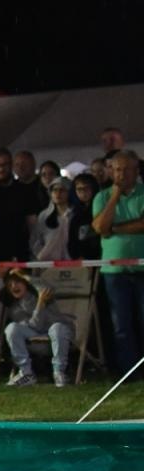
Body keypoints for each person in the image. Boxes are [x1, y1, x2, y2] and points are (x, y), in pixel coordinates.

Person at [92, 149, 144, 372]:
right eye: (117, 170)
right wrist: (114, 197)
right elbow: (100, 227)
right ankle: (128, 371)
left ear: (136, 171)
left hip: (142, 268)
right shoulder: (102, 197)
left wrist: (115, 228)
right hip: (114, 273)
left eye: (126, 169)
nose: (121, 175)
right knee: (120, 324)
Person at [1, 269, 76, 386]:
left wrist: (25, 276)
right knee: (11, 328)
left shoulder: (39, 292)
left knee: (57, 327)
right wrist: (40, 303)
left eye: (17, 282)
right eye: (10, 285)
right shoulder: (15, 309)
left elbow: (48, 288)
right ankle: (26, 373)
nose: (14, 286)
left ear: (25, 283)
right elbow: (35, 326)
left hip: (60, 336)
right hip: (38, 340)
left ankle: (59, 373)